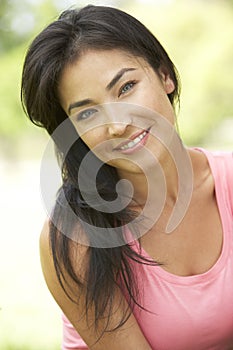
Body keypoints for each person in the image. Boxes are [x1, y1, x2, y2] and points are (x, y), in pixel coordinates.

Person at [21, 4, 233, 350]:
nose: (118, 124)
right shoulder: (76, 237)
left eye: (126, 87)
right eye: (88, 112)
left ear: (166, 75)